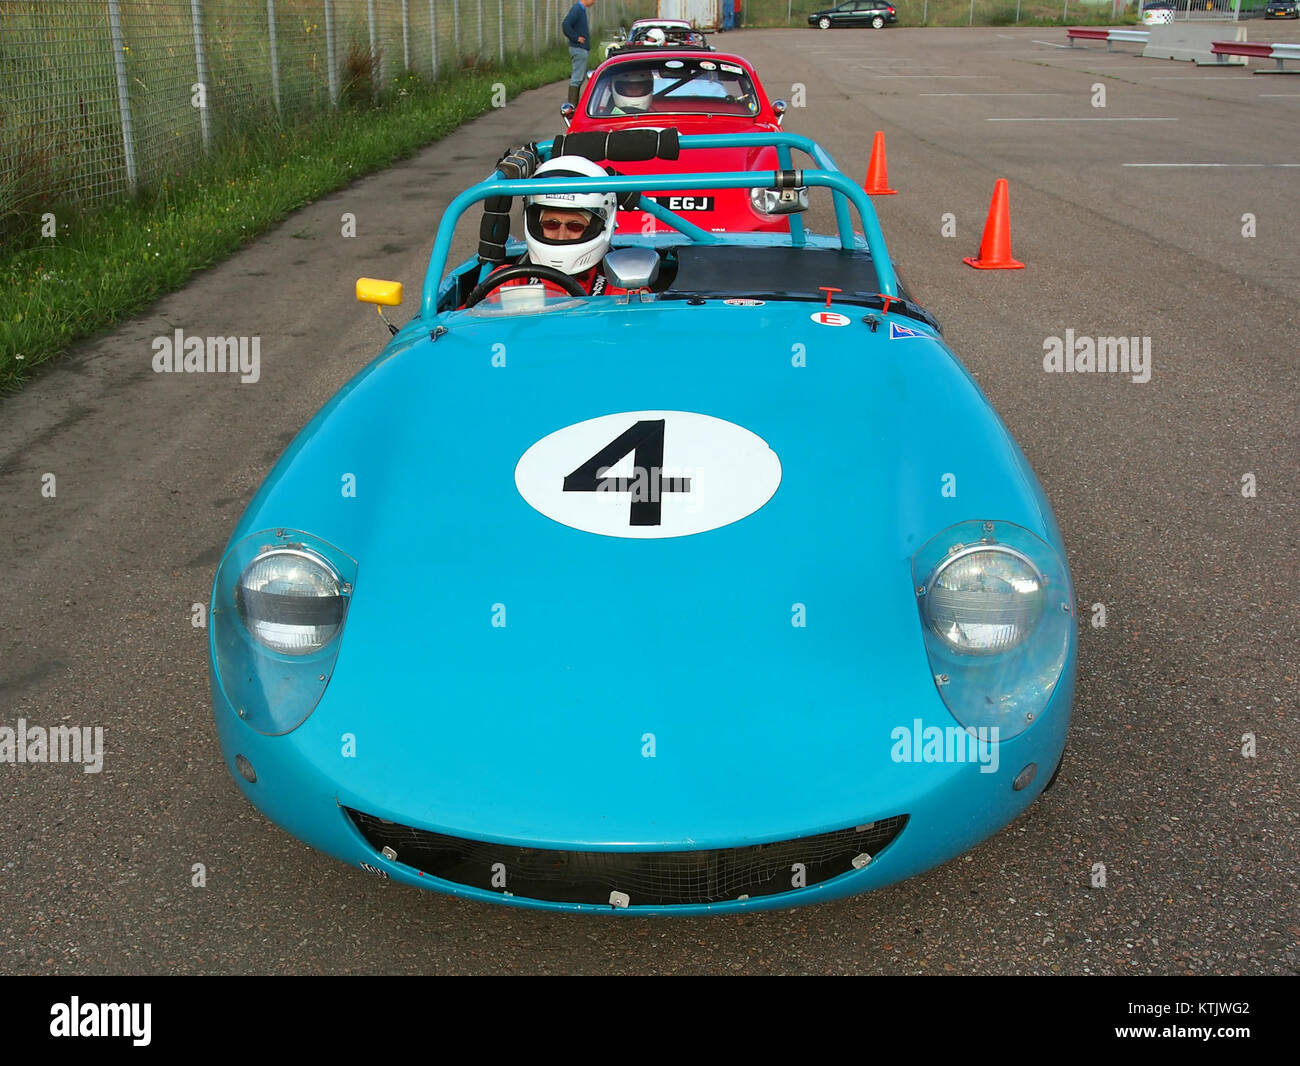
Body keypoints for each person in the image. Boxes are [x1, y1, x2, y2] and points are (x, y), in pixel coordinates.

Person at [471, 156, 628, 301]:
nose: (561, 235)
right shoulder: (508, 281)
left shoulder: (621, 284)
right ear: (536, 224)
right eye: (550, 224)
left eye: (575, 226)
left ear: (597, 226)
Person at [562, 0, 598, 108]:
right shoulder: (577, 9)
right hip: (578, 49)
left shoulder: (581, 10)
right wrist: (576, 37)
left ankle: (573, 106)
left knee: (579, 78)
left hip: (581, 49)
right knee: (577, 78)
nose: (594, 1)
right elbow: (566, 24)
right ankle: (572, 107)